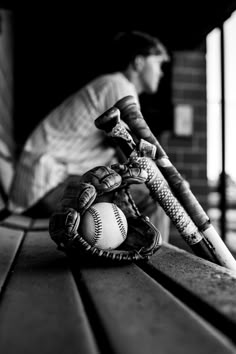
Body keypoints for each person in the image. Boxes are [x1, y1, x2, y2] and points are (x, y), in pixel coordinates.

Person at [7, 30, 170, 239]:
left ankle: (139, 255)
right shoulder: (118, 86)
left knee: (139, 190)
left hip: (42, 183)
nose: (161, 72)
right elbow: (135, 158)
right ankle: (154, 262)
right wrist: (169, 182)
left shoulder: (113, 84)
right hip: (46, 184)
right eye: (158, 64)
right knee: (156, 196)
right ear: (139, 62)